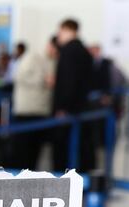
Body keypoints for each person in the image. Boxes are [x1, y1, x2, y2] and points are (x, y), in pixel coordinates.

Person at [52, 18, 94, 172]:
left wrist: (63, 106)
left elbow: (68, 82)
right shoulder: (84, 51)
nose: (58, 35)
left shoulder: (68, 51)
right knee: (82, 149)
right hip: (81, 107)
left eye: (60, 31)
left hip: (68, 110)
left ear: (67, 30)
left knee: (63, 150)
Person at [9, 38, 56, 170]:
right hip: (26, 112)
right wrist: (43, 80)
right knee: (22, 153)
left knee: (34, 154)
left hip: (42, 113)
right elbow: (19, 76)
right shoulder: (32, 57)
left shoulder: (54, 61)